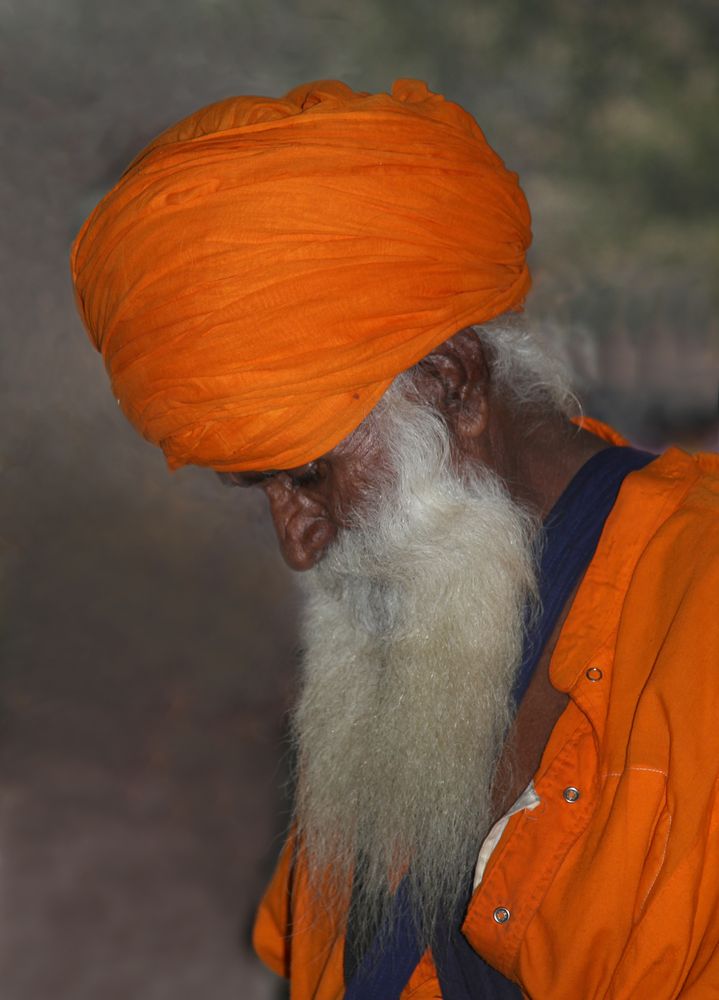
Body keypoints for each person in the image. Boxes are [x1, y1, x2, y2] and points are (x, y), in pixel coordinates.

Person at [70, 80, 719, 999]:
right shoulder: (411, 658)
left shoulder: (699, 604)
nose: (299, 546)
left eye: (306, 476)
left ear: (451, 385)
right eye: (262, 490)